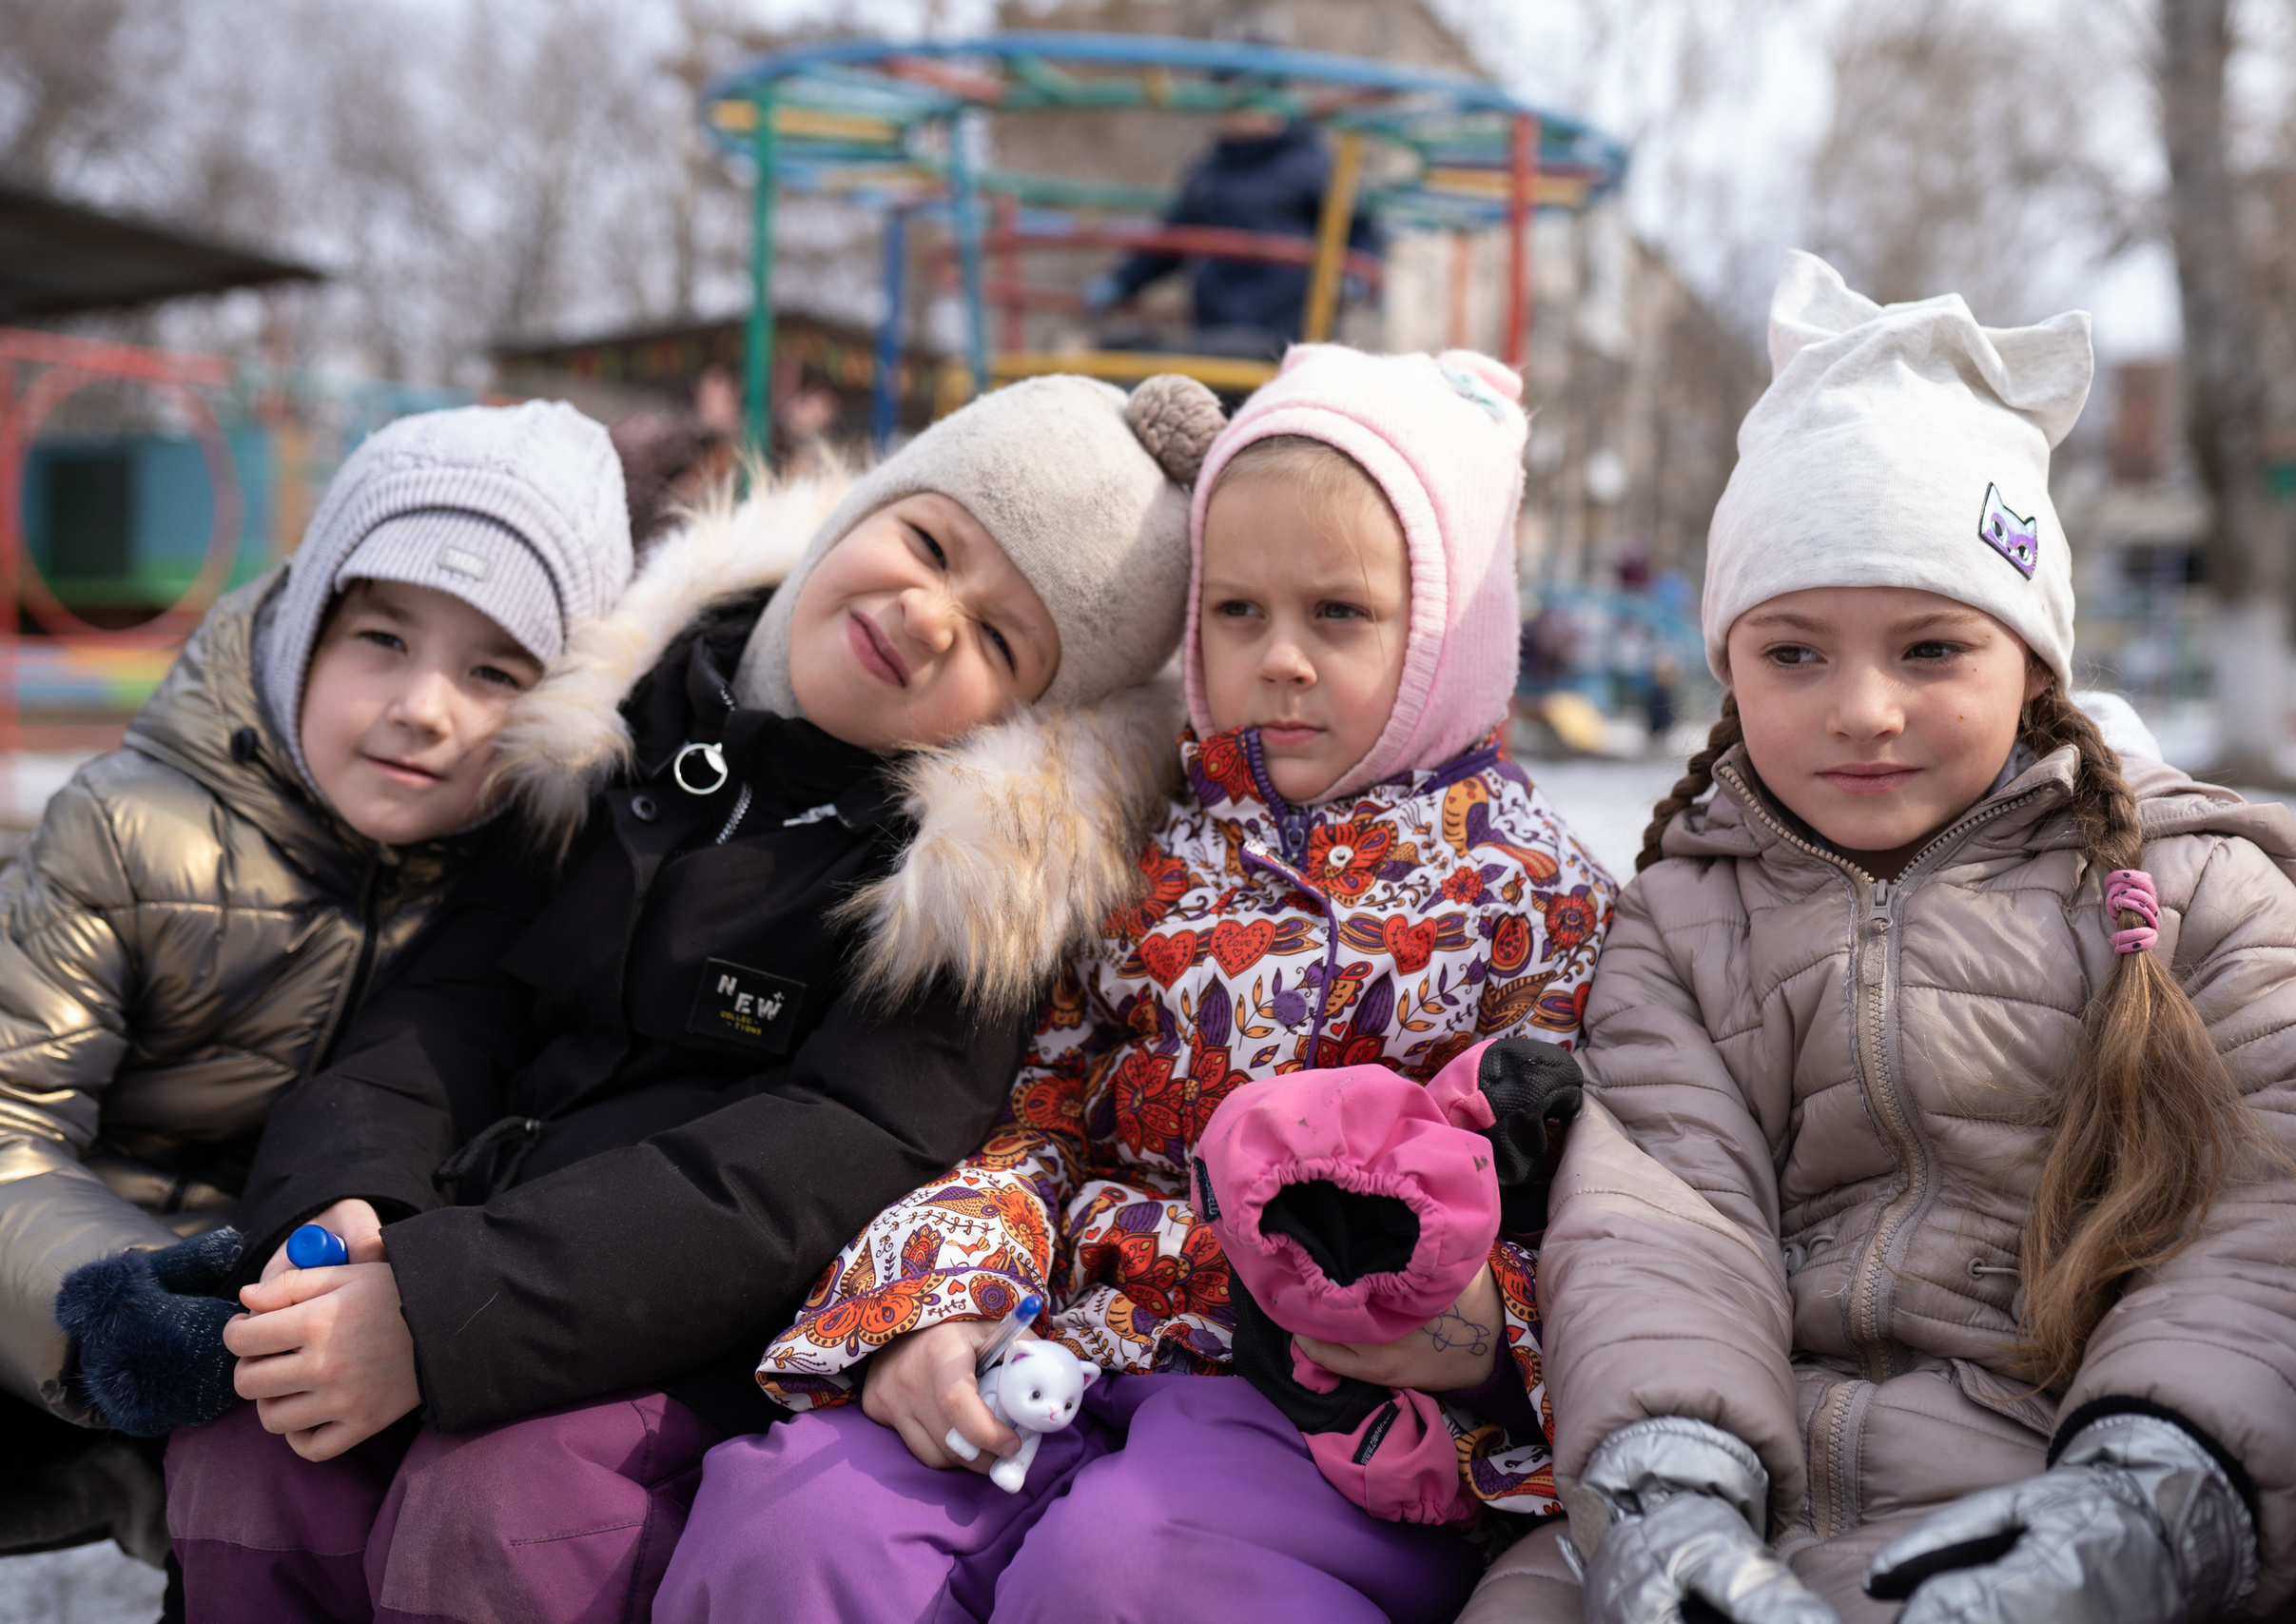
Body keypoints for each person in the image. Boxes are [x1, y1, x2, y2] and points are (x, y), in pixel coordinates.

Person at [160, 373, 1226, 1624]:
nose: (927, 616)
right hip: (452, 1239)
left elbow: (816, 1164)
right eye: (931, 545)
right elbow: (446, 1002)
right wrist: (350, 1214)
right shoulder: (629, 715)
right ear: (861, 508)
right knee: (256, 1443)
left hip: (690, 1336)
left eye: (1001, 642)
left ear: (1033, 710)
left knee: (505, 1506)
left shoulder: (970, 892)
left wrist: (446, 1308)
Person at [655, 344, 1619, 1624]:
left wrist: (1482, 1334)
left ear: (1452, 630)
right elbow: (1038, 1109)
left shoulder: (1535, 898)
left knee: (1129, 1574)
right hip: (1072, 1329)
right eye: (1238, 610)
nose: (1279, 658)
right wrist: (936, 1302)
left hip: (1319, 1401)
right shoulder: (1145, 843)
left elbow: (1594, 1208)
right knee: (799, 1526)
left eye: (1338, 613)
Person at [1479, 253, 2296, 1624]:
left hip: (2077, 1502)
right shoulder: (1684, 918)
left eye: (1931, 648)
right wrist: (1667, 1493)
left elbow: (2272, 1225)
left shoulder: (2193, 889)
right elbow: (1660, 1225)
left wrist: (2151, 1497)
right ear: (1727, 665)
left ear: (2033, 658)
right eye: (1793, 652)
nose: (1863, 708)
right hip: (1752, 1488)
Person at [0, 402, 632, 1564]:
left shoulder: (518, 893)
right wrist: (114, 1297)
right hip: (74, 1310)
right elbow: (8, 1118)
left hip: (302, 1338)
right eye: (383, 639)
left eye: (494, 671)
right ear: (303, 630)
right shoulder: (127, 835)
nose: (423, 707)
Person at [1085, 108, 1381, 361]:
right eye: (1228, 107)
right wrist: (1122, 282)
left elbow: (1356, 226)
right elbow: (1169, 242)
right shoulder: (1211, 173)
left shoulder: (1309, 166)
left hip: (1290, 331)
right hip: (1219, 326)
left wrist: (1361, 273)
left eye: (1247, 107)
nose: (1235, 118)